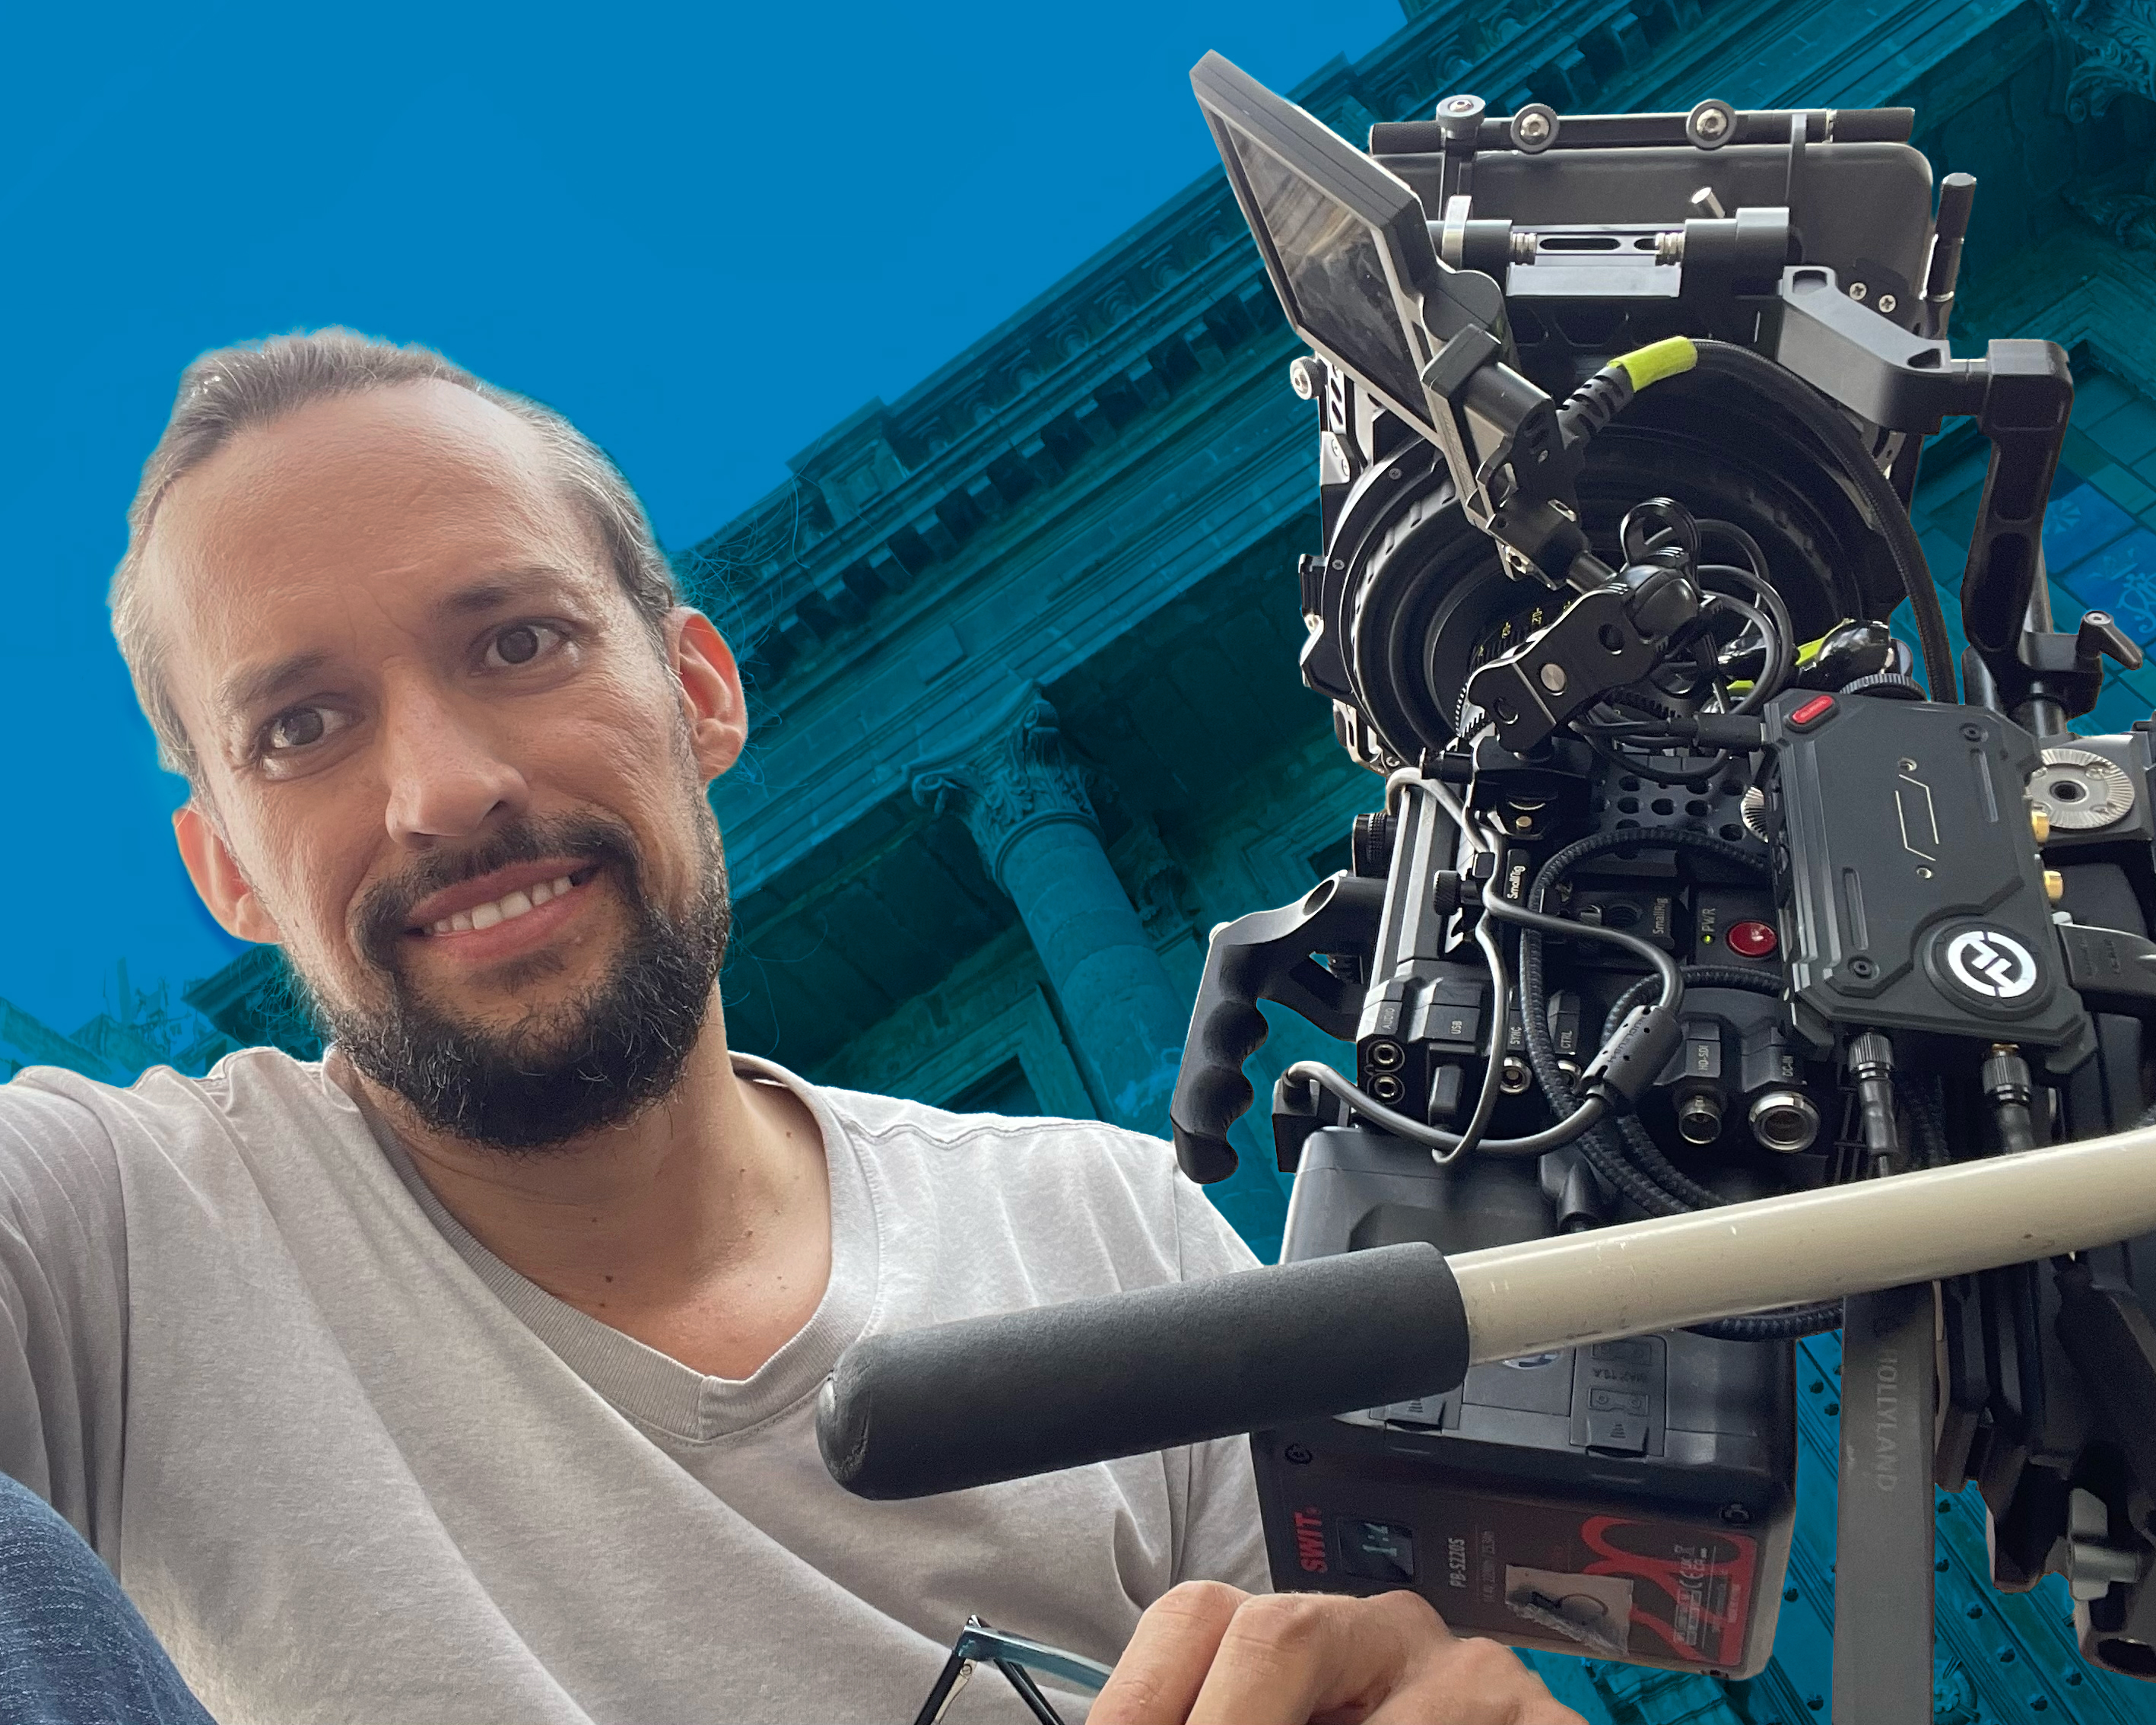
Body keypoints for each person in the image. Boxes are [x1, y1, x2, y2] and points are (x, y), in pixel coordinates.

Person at [0, 329, 1581, 1725]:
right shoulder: (115, 1242)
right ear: (226, 871)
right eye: (301, 728)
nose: (443, 789)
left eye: (518, 642)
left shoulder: (1101, 1229)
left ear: (698, 690)